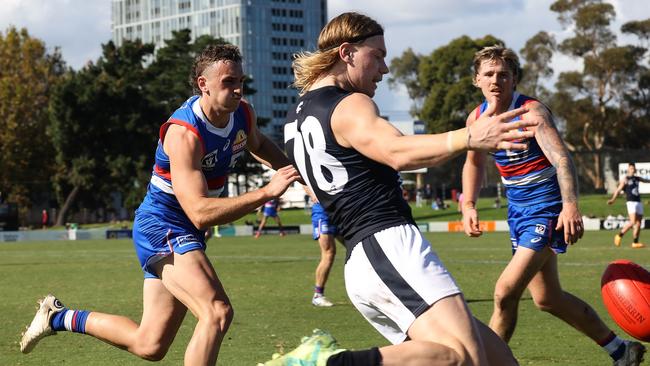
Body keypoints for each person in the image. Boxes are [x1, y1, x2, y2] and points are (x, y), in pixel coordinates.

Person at [278, 12, 541, 366]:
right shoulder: (350, 103)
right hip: (387, 245)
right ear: (347, 53)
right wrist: (469, 137)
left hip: (366, 256)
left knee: (497, 359)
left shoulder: (294, 121)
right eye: (378, 55)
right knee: (464, 357)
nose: (385, 68)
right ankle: (328, 363)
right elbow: (396, 152)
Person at [19, 44, 300, 365]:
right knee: (217, 312)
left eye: (240, 80)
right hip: (162, 227)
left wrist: (299, 177)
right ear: (202, 84)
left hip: (185, 233)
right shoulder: (184, 133)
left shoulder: (242, 113)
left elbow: (259, 144)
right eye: (227, 82)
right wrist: (266, 192)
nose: (237, 88)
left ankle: (59, 317)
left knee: (150, 344)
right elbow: (198, 210)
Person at [461, 45, 645, 365]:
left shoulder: (531, 113)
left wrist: (570, 205)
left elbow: (561, 158)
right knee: (547, 298)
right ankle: (621, 350)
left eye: (503, 74)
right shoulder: (476, 119)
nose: (496, 80)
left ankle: (485, 362)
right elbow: (474, 163)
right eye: (488, 74)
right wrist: (469, 204)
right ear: (477, 80)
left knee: (504, 292)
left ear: (514, 79)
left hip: (547, 210)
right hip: (517, 212)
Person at [305, 186, 338, 307]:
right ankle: (318, 295)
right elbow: (300, 177)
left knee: (357, 248)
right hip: (322, 212)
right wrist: (312, 193)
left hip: (342, 209)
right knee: (329, 253)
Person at [608, 163, 650, 248]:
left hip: (638, 201)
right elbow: (618, 190)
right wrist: (613, 199)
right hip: (631, 202)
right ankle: (619, 235)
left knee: (638, 223)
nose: (632, 170)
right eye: (631, 168)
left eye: (633, 168)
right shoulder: (625, 179)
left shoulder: (637, 178)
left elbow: (646, 181)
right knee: (633, 221)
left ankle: (635, 242)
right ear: (628, 169)